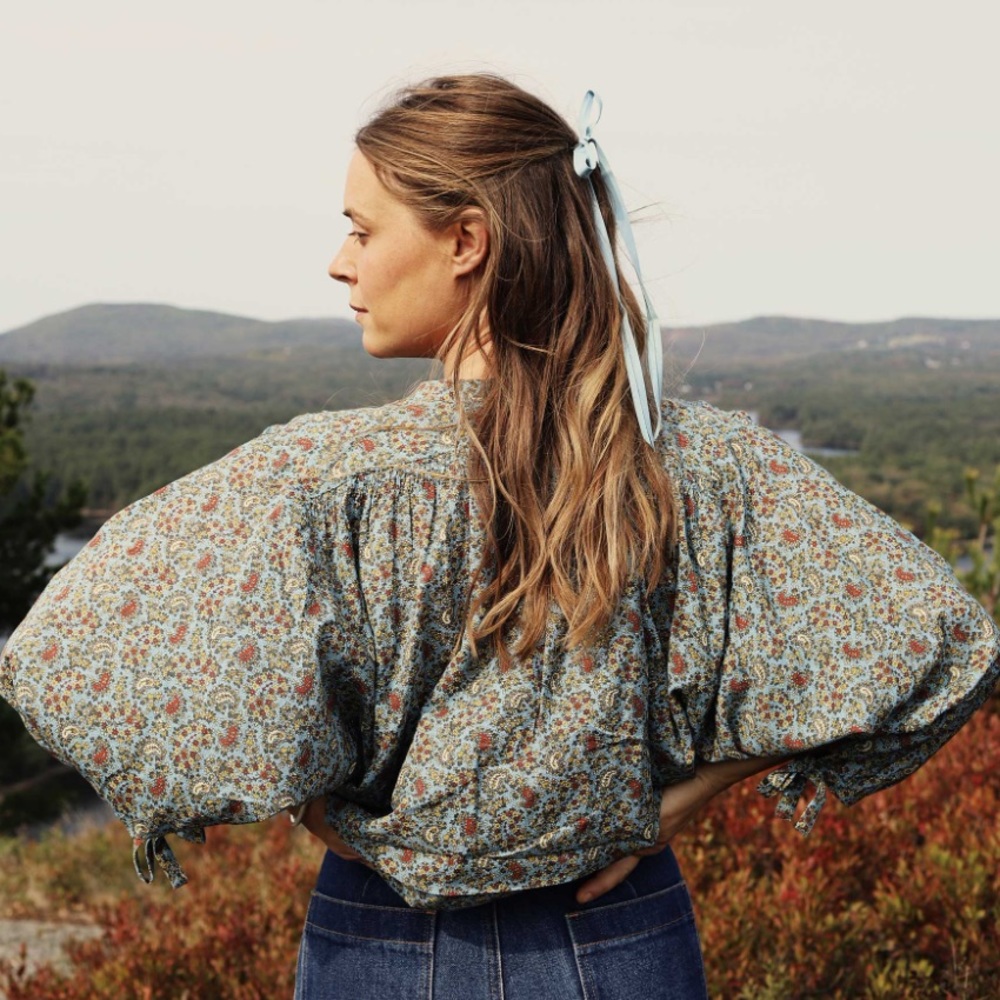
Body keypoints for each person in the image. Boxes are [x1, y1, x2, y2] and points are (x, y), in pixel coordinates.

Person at [1, 73, 997, 1000]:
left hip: (378, 938)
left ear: (467, 240)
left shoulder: (319, 478)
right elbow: (935, 636)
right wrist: (688, 796)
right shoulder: (706, 465)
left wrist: (295, 791)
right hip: (619, 934)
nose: (340, 261)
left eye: (361, 229)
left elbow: (62, 652)